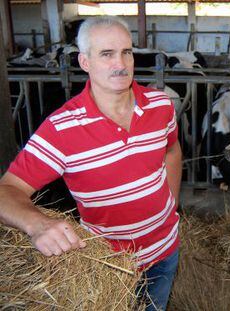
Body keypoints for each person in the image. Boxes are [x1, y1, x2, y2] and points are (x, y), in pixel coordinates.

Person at [0, 16, 182, 311]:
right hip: (108, 265)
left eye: (126, 52)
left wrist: (170, 205)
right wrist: (38, 225)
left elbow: (172, 151)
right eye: (106, 54)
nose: (120, 63)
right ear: (84, 62)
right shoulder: (61, 128)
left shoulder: (161, 105)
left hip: (165, 250)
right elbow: (6, 190)